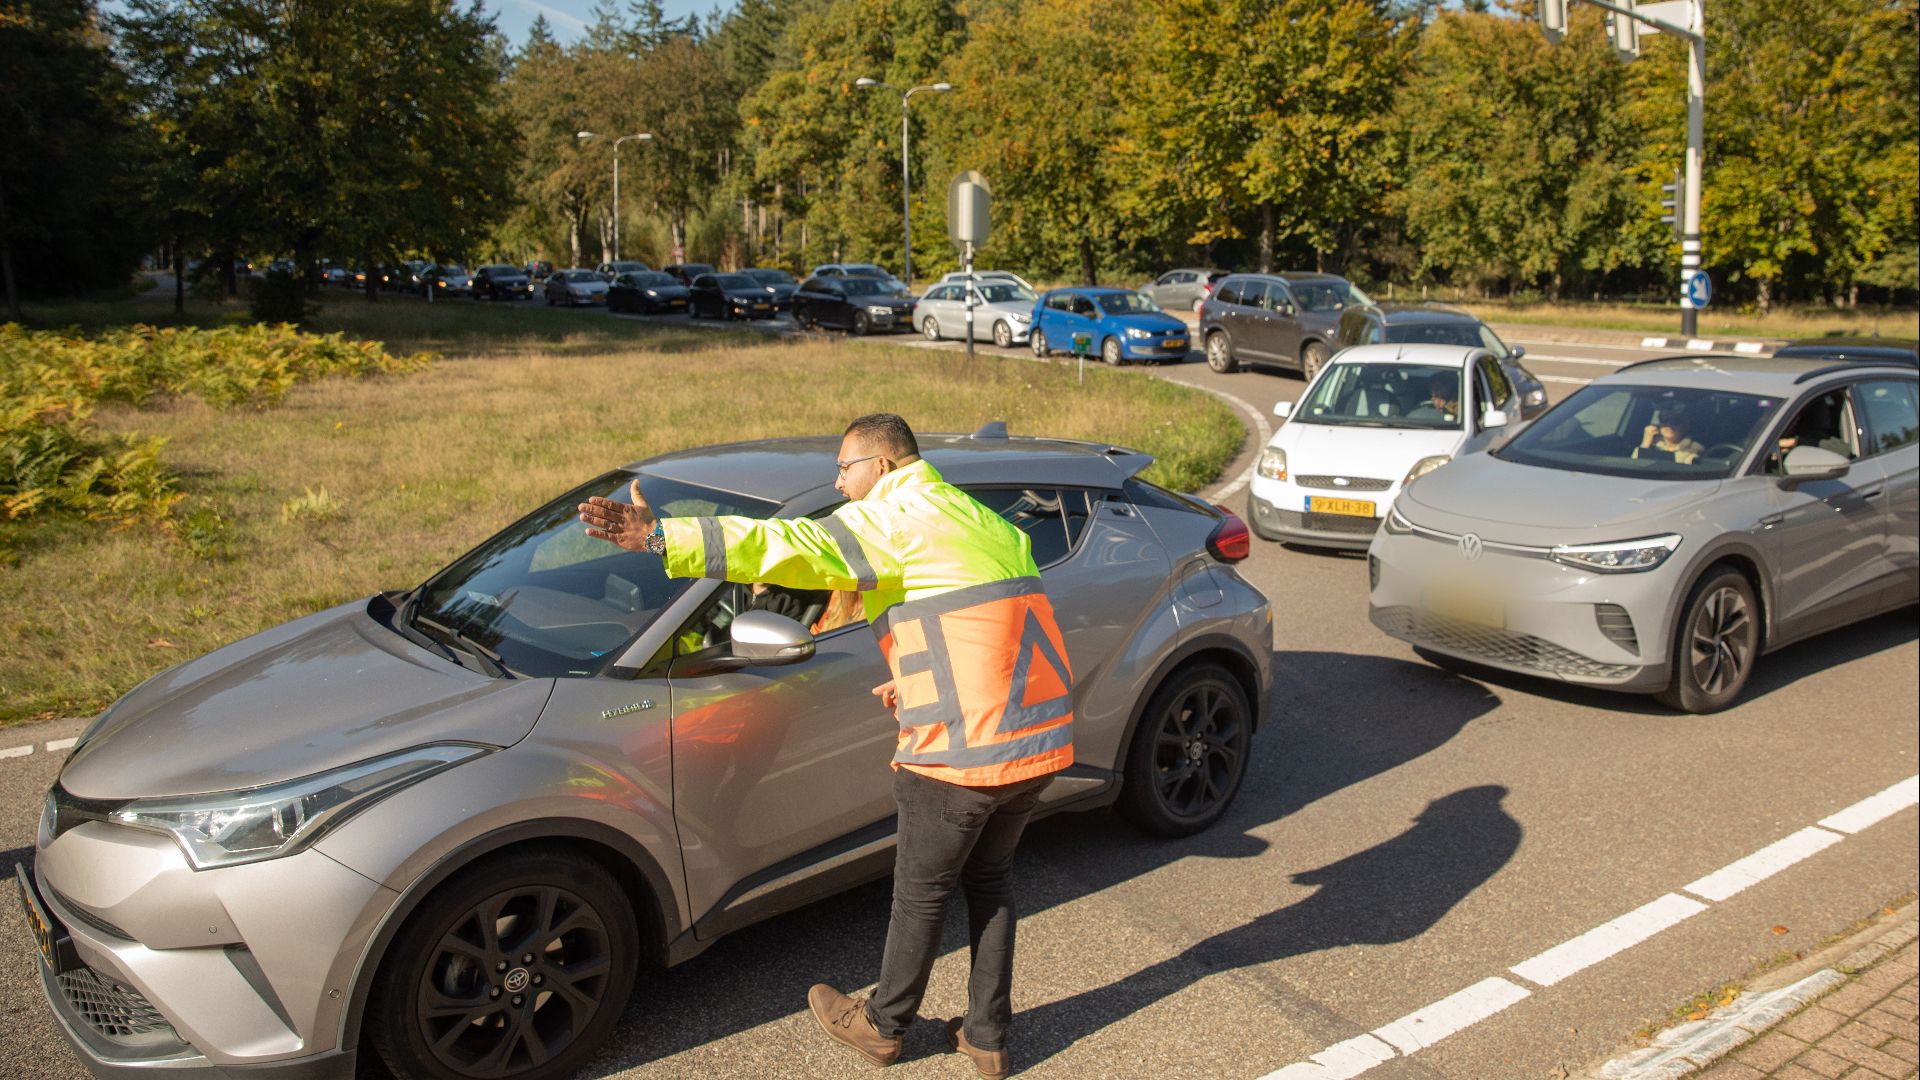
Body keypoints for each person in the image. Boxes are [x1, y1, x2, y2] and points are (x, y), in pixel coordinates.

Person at [578, 413, 1073, 1079]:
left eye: (846, 468)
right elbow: (988, 623)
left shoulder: (895, 516)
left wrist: (662, 535)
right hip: (1033, 741)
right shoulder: (979, 518)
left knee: (919, 893)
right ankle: (986, 1035)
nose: (838, 484)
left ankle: (882, 1024)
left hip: (961, 753)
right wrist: (915, 681)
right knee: (990, 881)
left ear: (888, 466)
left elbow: (791, 547)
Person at [1636, 410, 1704, 464]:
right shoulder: (1650, 445)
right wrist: (1645, 444)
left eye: (1676, 421)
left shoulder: (1695, 449)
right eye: (1664, 420)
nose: (1669, 424)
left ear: (1686, 427)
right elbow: (1634, 465)